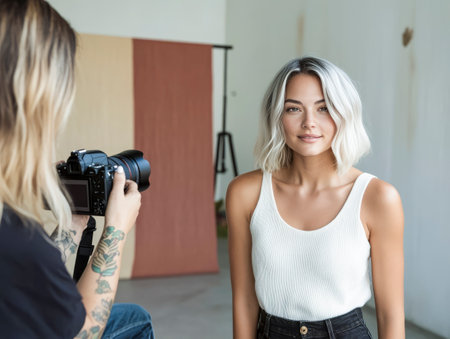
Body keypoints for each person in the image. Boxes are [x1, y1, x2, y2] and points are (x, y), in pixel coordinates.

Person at [0, 1, 154, 338]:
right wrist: (115, 231)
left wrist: (73, 221)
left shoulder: (13, 229)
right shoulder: (15, 235)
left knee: (134, 314)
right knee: (138, 322)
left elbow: (29, 282)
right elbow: (82, 333)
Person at [226, 57, 404, 338]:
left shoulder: (378, 198)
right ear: (277, 117)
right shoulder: (245, 194)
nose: (309, 122)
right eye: (294, 108)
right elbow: (244, 301)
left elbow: (390, 313)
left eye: (323, 108)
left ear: (343, 113)